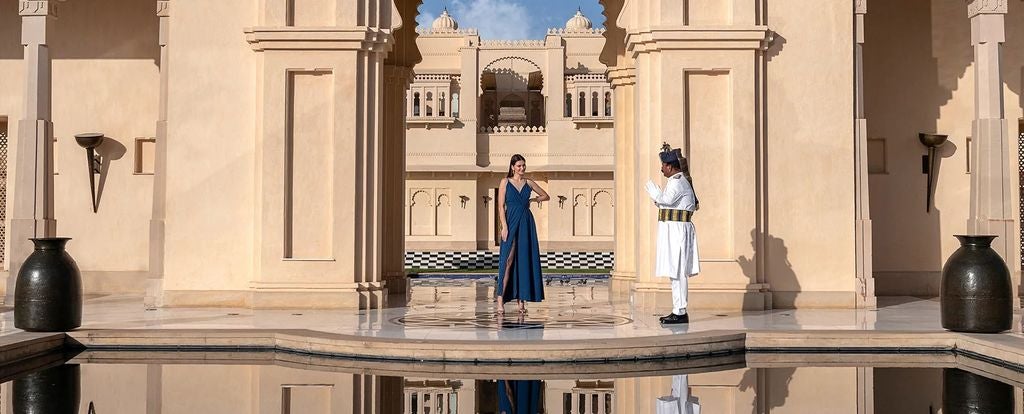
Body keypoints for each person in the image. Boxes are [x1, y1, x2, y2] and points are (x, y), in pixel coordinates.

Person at [644, 143, 700, 325]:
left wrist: (654, 192)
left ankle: (681, 311)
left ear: (670, 166)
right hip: (673, 230)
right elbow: (665, 204)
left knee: (678, 271)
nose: (661, 169)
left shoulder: (677, 182)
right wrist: (659, 199)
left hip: (678, 231)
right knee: (674, 271)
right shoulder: (675, 182)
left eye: (663, 166)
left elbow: (665, 200)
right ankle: (678, 309)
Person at [497, 154, 549, 316]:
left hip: (526, 223)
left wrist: (534, 201)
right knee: (508, 260)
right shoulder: (505, 182)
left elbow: (546, 196)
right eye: (519, 166)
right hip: (511, 223)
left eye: (523, 166)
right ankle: (500, 300)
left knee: (524, 260)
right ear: (512, 167)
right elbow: (500, 206)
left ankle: (522, 301)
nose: (522, 168)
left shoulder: (529, 183)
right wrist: (504, 226)